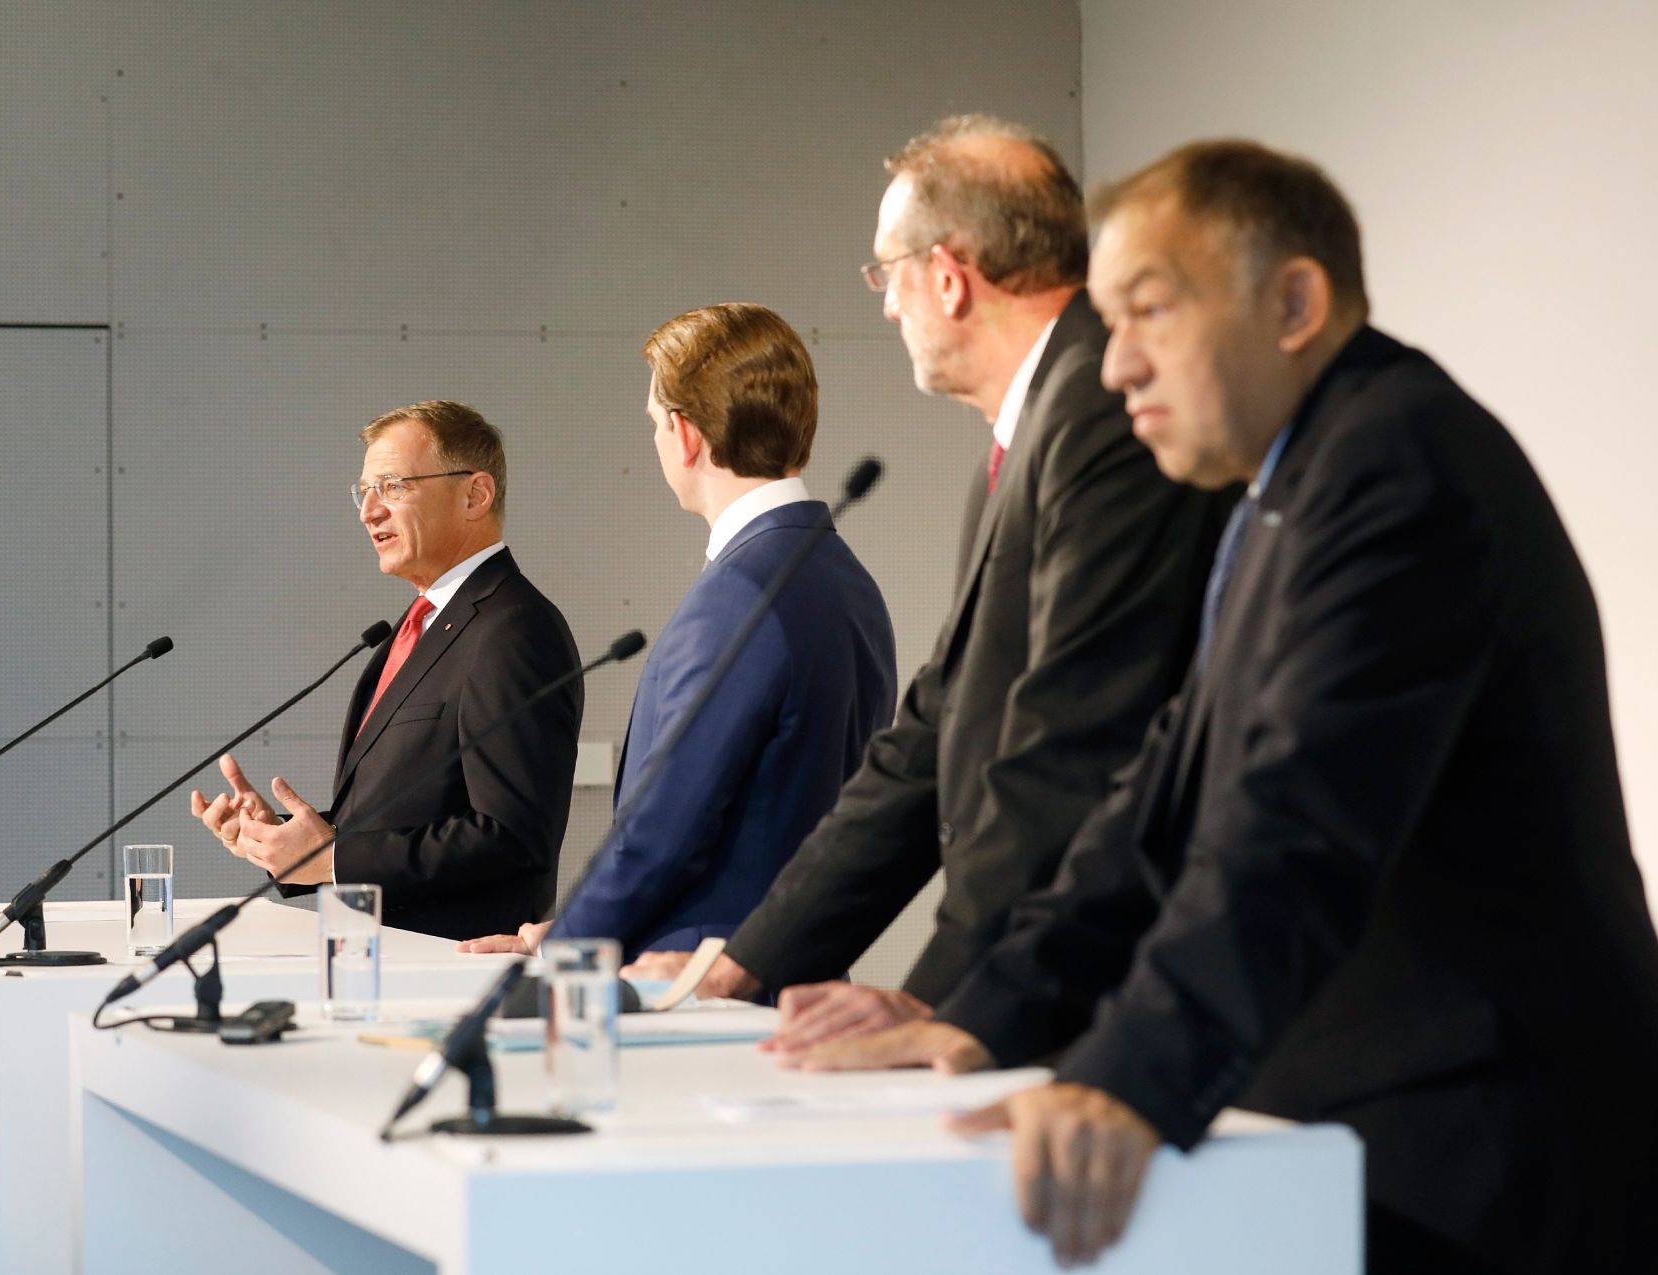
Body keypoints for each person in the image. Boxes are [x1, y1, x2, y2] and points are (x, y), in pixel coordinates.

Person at [787, 140, 1658, 1274]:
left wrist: (1129, 1076)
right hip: (1383, 1124)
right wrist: (975, 1015)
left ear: (1292, 302)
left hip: (1485, 1149)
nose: (1113, 368)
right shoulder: (1287, 488)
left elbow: (1291, 826)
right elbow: (1157, 808)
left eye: (1147, 313)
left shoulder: (1394, 468)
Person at [631, 116, 1226, 1031]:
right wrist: (746, 962)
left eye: (885, 274)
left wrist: (935, 998)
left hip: (1102, 990)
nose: (883, 306)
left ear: (947, 278)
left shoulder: (1098, 413)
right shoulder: (1034, 428)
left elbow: (1069, 750)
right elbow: (929, 741)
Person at [458, 304, 896, 961]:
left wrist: (569, 949)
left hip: (694, 990)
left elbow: (660, 833)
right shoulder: (850, 581)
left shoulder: (738, 595)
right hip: (787, 973)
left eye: (655, 423)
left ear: (685, 435)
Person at [190, 400, 583, 941]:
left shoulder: (513, 628)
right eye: (364, 491)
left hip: (454, 969)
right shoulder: (416, 627)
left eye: (393, 486)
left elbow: (512, 835)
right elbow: (396, 819)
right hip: (377, 960)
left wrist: (331, 859)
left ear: (475, 494)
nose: (368, 511)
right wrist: (286, 843)